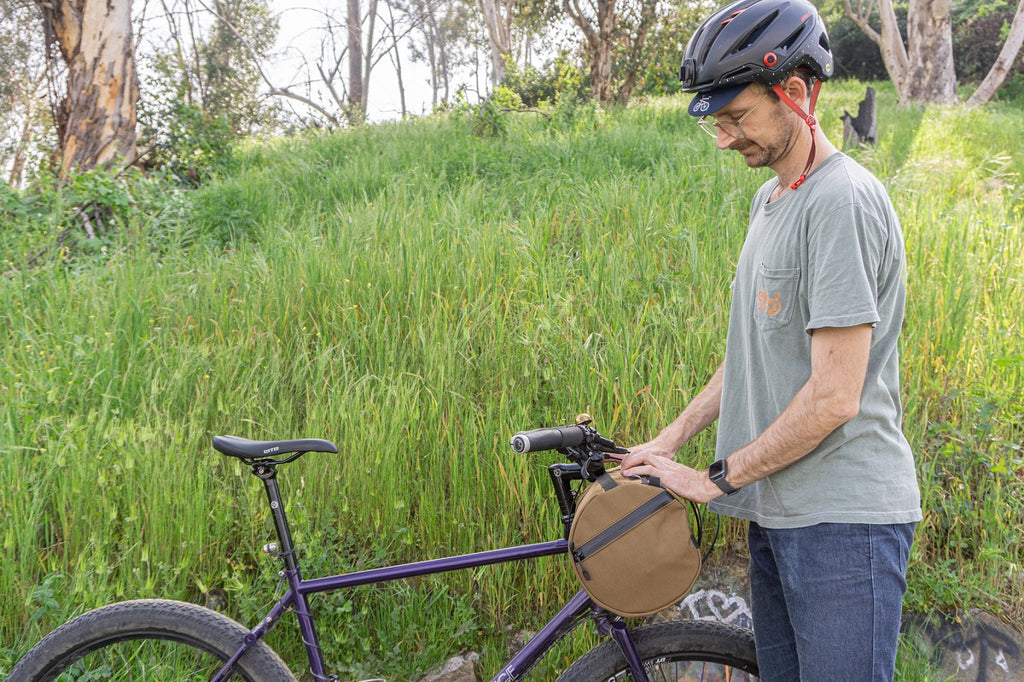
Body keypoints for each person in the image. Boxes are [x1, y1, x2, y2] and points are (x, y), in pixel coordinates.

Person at [619, 0, 922, 680]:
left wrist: (713, 478)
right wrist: (670, 440)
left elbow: (836, 396)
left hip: (844, 524)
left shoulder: (840, 201)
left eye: (737, 117)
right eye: (714, 122)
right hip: (779, 514)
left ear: (795, 93)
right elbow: (753, 352)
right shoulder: (773, 200)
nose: (725, 138)